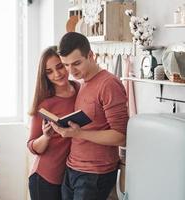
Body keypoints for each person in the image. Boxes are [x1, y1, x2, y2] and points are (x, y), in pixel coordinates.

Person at [50, 32, 129, 200]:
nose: (71, 71)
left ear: (91, 55)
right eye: (66, 65)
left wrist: (78, 133)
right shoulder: (83, 83)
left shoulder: (109, 84)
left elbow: (121, 137)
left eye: (77, 63)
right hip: (73, 168)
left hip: (94, 174)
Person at [27, 46, 79, 200]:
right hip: (45, 178)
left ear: (67, 63)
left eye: (59, 66)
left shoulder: (80, 89)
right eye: (49, 72)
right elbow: (32, 145)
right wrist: (46, 136)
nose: (57, 74)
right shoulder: (45, 104)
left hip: (71, 176)